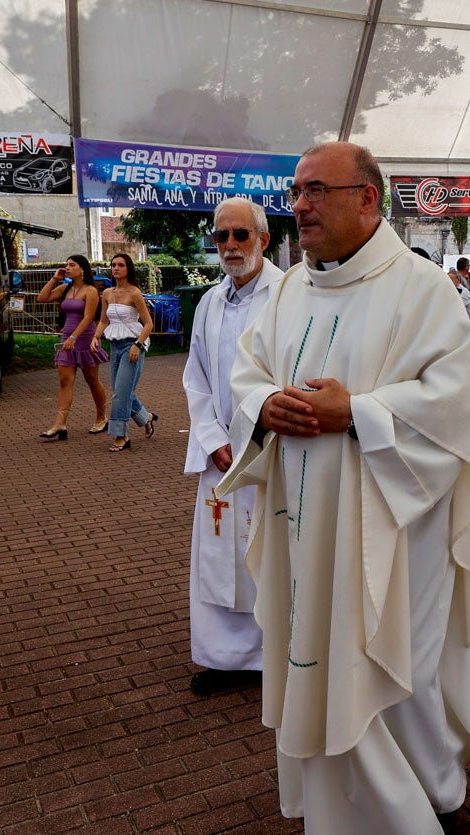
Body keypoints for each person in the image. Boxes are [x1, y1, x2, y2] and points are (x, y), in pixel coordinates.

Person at [217, 141, 470, 831]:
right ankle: (336, 798)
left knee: (389, 660)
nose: (298, 205)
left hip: (394, 520)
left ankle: (422, 793)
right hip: (302, 519)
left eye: (315, 190)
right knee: (314, 647)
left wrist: (357, 412)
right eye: (295, 192)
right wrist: (262, 404)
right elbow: (248, 367)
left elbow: (456, 405)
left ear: (368, 198)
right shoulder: (290, 286)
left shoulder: (420, 287)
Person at [183, 196, 285, 696]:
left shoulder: (290, 294)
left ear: (263, 239)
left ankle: (279, 657)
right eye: (220, 236)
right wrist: (212, 438)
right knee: (220, 558)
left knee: (269, 554)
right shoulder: (209, 302)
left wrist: (253, 436)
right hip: (221, 454)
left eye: (239, 235)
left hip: (272, 452)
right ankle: (223, 657)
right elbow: (195, 377)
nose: (228, 245)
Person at [37, 254, 108, 440]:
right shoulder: (65, 288)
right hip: (67, 339)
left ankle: (102, 417)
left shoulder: (90, 290)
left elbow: (88, 317)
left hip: (84, 339)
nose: (67, 268)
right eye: (66, 265)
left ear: (82, 268)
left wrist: (75, 337)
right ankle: (60, 423)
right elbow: (42, 298)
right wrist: (54, 278)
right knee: (65, 381)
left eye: (71, 265)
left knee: (92, 380)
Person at [92, 253, 155, 452]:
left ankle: (121, 435)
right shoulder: (107, 293)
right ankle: (147, 418)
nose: (116, 268)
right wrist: (96, 337)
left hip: (132, 346)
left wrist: (137, 345)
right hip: (115, 346)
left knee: (120, 394)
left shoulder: (135, 293)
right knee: (121, 391)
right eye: (113, 265)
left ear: (128, 269)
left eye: (120, 265)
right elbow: (103, 320)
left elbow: (148, 324)